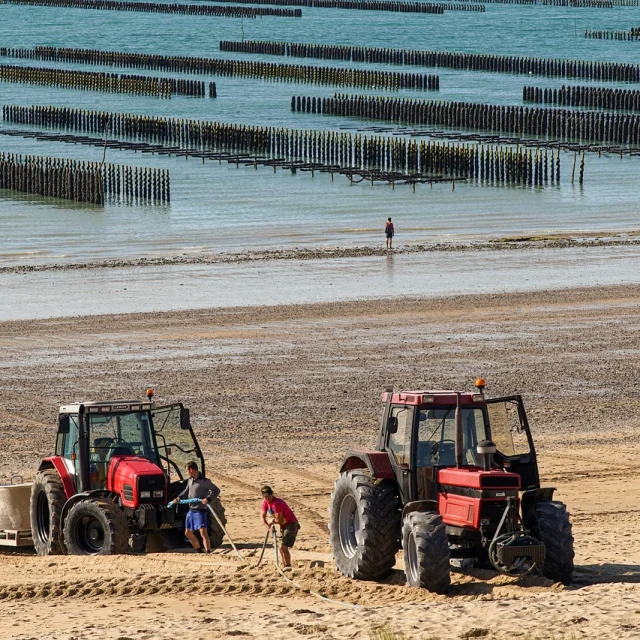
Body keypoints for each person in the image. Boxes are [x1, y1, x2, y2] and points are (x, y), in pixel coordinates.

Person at [173, 461, 220, 553]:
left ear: (191, 470)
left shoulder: (204, 481)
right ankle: (199, 550)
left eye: (187, 470)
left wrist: (208, 499)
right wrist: (179, 497)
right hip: (191, 510)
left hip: (200, 510)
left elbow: (216, 490)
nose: (187, 472)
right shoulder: (190, 480)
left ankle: (208, 551)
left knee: (203, 532)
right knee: (188, 533)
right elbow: (186, 491)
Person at [261, 485, 300, 569]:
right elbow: (262, 517)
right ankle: (285, 566)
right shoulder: (265, 502)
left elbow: (278, 520)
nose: (267, 498)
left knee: (283, 548)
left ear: (272, 494)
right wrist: (269, 528)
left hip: (291, 525)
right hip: (283, 526)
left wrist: (272, 521)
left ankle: (288, 566)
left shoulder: (277, 503)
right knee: (281, 548)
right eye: (265, 496)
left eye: (268, 496)